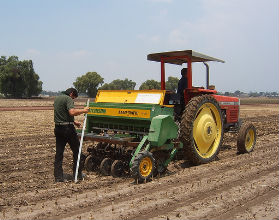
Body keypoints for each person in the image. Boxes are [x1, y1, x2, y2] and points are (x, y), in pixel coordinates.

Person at [53, 88, 89, 182]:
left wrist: (73, 121)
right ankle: (77, 174)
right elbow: (72, 112)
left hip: (58, 129)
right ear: (71, 93)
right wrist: (84, 110)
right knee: (77, 151)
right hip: (67, 130)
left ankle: (58, 177)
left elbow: (62, 114)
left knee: (59, 153)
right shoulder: (68, 98)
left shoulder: (57, 98)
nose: (72, 100)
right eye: (73, 97)